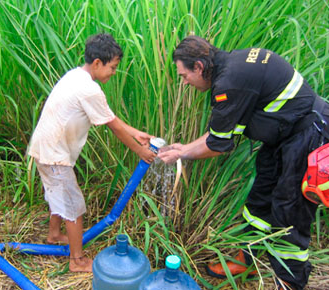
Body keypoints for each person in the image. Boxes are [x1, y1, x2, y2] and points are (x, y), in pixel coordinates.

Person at [158, 35, 329, 290]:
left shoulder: (229, 83)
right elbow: (218, 135)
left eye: (184, 75)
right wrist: (183, 149)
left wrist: (181, 154)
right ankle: (245, 260)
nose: (184, 83)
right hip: (283, 137)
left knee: (289, 213)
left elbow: (218, 146)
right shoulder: (234, 63)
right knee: (260, 200)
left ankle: (290, 282)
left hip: (307, 137)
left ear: (199, 67)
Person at [28, 33, 156, 273]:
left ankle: (54, 235)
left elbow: (111, 118)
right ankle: (77, 261)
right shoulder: (89, 89)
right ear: (98, 63)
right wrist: (141, 151)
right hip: (55, 154)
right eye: (113, 67)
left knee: (59, 195)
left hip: (45, 149)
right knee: (73, 205)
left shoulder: (76, 76)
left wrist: (136, 132)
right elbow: (114, 127)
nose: (114, 73)